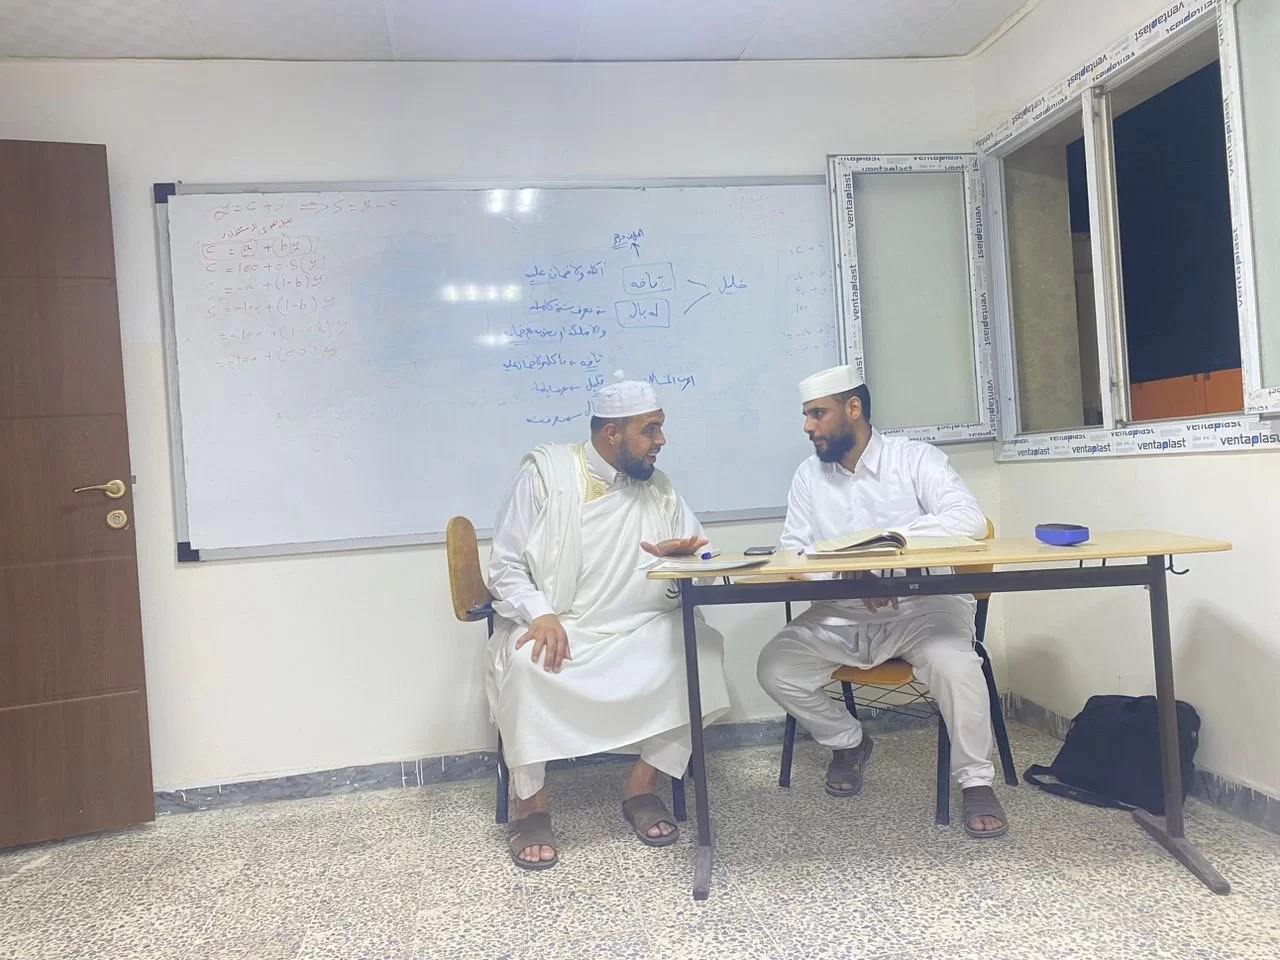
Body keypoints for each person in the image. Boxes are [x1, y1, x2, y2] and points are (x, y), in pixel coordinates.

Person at [485, 375, 731, 870]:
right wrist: (540, 613)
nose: (661, 441)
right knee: (526, 665)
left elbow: (703, 556)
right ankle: (531, 806)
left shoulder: (658, 487)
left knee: (700, 650)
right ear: (612, 433)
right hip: (565, 627)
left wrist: (686, 558)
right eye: (650, 430)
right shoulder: (546, 475)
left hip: (639, 626)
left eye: (660, 428)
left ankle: (642, 786)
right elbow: (505, 566)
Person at [755, 364, 1008, 838]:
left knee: (958, 667)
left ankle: (975, 782)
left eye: (817, 414)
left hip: (924, 608)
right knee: (776, 667)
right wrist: (849, 572)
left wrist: (886, 550)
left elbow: (969, 521)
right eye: (806, 415)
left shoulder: (914, 458)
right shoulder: (809, 476)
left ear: (853, 408)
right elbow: (794, 551)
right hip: (844, 611)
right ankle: (849, 741)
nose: (807, 426)